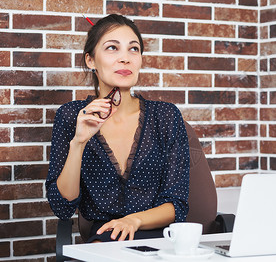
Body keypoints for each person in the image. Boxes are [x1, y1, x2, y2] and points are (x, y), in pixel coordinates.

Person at [46, 14, 190, 242]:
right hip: (105, 240)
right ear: (91, 60)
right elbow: (62, 207)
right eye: (112, 48)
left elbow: (177, 204)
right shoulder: (71, 116)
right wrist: (79, 142)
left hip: (161, 240)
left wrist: (135, 220)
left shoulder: (165, 115)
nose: (125, 58)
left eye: (133, 49)